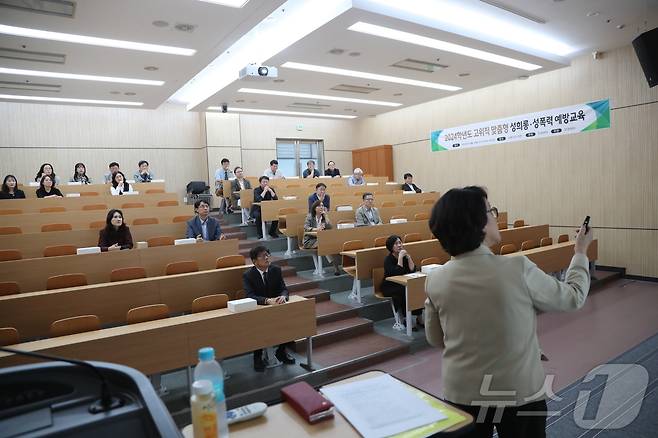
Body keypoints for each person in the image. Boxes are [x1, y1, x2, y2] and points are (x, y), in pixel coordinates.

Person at [424, 186, 593, 437]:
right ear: (479, 224)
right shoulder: (517, 268)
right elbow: (573, 297)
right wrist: (580, 251)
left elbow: (436, 339)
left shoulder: (435, 279)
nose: (495, 216)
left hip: (461, 394)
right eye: (491, 210)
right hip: (519, 392)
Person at [242, 246, 296, 371]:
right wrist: (267, 301)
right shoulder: (248, 275)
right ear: (255, 261)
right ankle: (257, 357)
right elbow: (250, 296)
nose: (266, 257)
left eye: (267, 254)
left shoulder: (275, 270)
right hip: (258, 310)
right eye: (262, 256)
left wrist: (283, 296)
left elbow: (283, 288)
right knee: (258, 325)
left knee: (291, 319)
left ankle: (281, 351)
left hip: (276, 308)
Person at [381, 235, 423, 329]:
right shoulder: (388, 260)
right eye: (396, 243)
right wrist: (400, 257)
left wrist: (409, 258)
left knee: (415, 289)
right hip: (390, 286)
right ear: (391, 247)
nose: (399, 245)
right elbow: (397, 273)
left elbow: (412, 270)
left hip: (402, 283)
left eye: (400, 243)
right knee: (404, 292)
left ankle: (419, 317)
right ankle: (406, 319)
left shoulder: (404, 257)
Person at [303, 200, 341, 275]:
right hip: (310, 240)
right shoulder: (310, 216)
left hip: (321, 239)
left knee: (328, 244)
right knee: (325, 244)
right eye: (319, 206)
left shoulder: (324, 217)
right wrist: (316, 229)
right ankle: (336, 267)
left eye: (322, 205)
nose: (321, 207)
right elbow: (306, 227)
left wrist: (326, 216)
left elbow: (330, 227)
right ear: (314, 208)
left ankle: (336, 267)